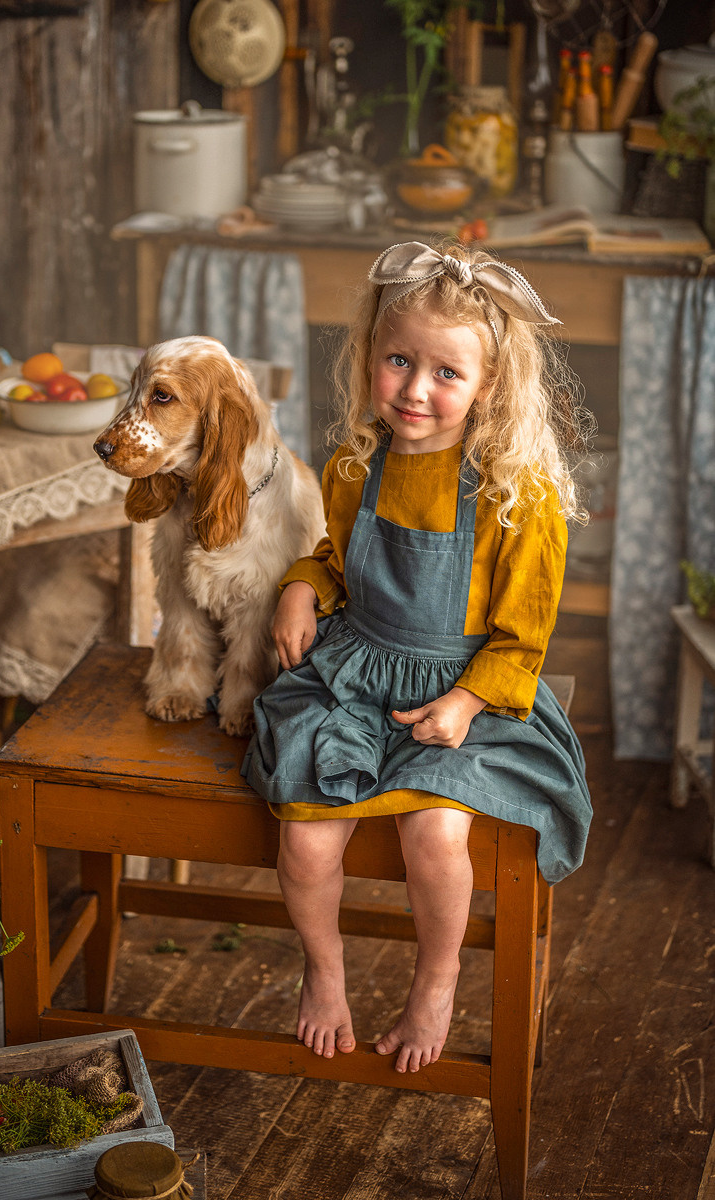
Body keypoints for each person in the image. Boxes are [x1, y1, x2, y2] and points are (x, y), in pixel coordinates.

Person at [241, 240, 593, 1075]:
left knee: (434, 834)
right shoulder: (358, 465)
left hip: (465, 693)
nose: (414, 390)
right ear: (370, 356)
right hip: (357, 675)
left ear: (490, 386)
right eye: (398, 360)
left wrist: (467, 702)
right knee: (307, 838)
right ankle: (323, 974)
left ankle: (437, 978)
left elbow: (522, 640)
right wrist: (301, 587)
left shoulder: (518, 497)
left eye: (447, 373)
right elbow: (336, 565)